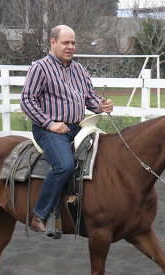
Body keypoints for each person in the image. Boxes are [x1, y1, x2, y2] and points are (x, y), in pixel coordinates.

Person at [20, 25, 113, 233]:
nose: (70, 47)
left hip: (78, 127)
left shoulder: (80, 70)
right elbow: (27, 101)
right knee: (64, 165)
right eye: (65, 43)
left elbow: (90, 98)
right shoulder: (40, 68)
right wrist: (50, 123)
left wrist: (101, 105)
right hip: (48, 130)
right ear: (52, 43)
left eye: (73, 43)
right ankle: (39, 214)